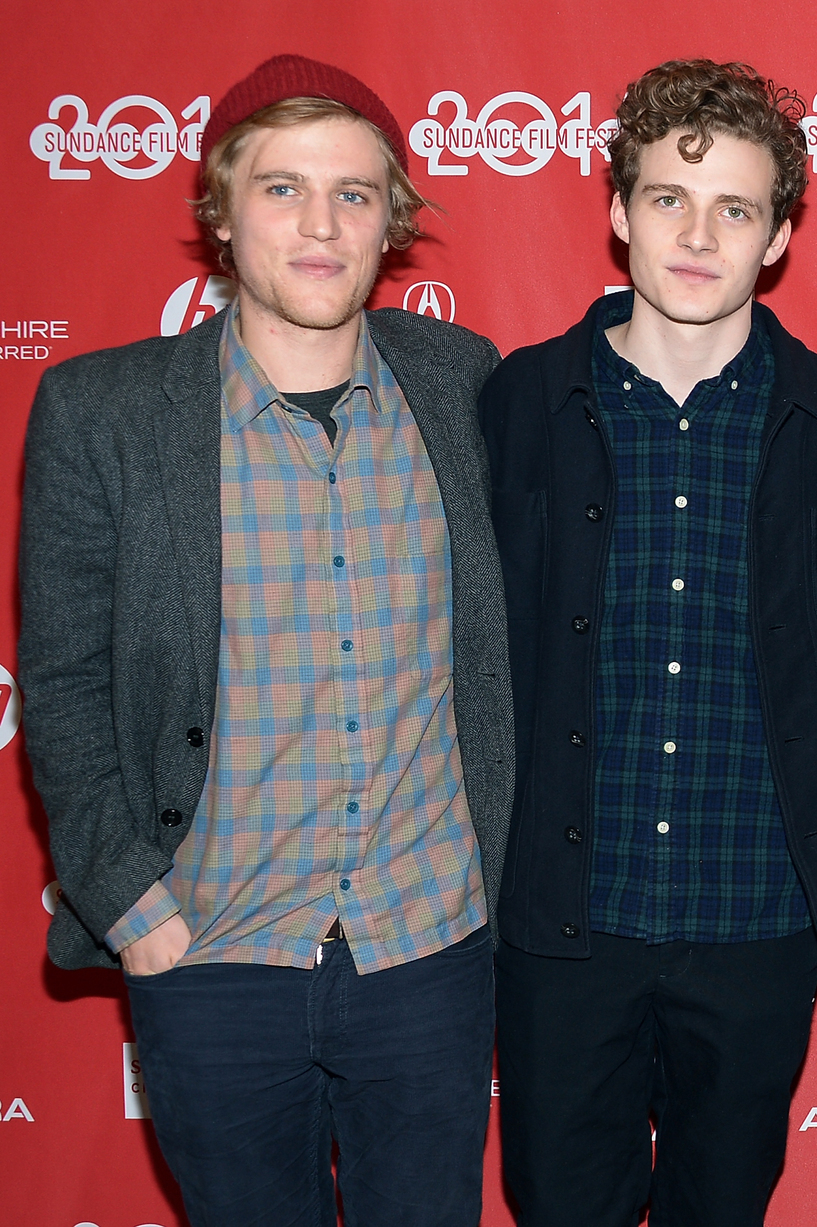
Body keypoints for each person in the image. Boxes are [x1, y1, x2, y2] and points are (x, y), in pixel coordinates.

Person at [21, 55, 509, 1226]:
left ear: (393, 220)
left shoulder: (465, 384)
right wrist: (136, 913)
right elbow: (64, 685)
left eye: (353, 193)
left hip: (428, 945)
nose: (320, 224)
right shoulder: (105, 412)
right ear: (221, 213)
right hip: (211, 948)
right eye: (282, 188)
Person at [477, 59, 817, 1227]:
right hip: (562, 911)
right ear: (618, 213)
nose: (698, 233)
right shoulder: (516, 405)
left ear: (776, 237)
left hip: (758, 914)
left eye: (736, 207)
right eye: (669, 196)